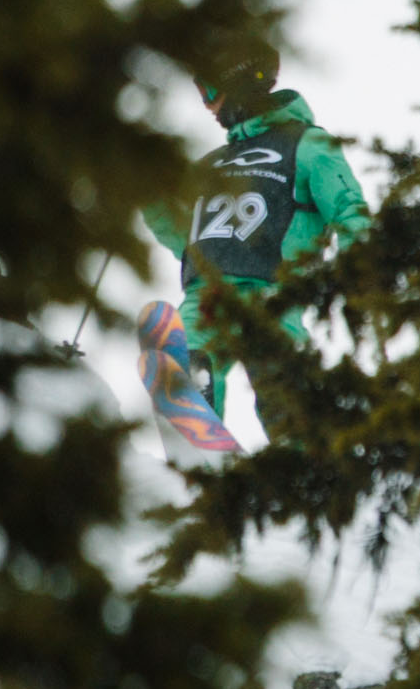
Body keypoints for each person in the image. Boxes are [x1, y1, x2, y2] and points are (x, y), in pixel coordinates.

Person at [140, 46, 372, 427]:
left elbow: (348, 210)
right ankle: (197, 430)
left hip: (275, 295)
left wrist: (360, 269)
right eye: (202, 94)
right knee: (186, 353)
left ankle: (303, 466)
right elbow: (193, 239)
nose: (208, 106)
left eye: (211, 92)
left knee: (284, 393)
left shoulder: (307, 144)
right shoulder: (209, 167)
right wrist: (150, 193)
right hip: (209, 296)